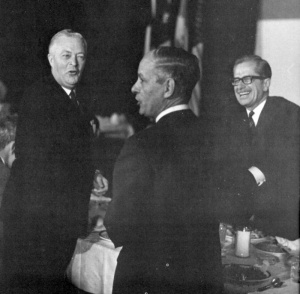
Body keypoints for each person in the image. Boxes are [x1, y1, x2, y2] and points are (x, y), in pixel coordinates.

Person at [104, 47, 224, 294]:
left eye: (142, 79)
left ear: (168, 88)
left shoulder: (141, 146)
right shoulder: (215, 139)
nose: (134, 87)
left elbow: (119, 227)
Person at [2, 29, 108, 294]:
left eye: (80, 57)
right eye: (66, 55)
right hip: (36, 224)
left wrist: (92, 172)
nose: (74, 63)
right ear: (51, 59)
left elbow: (70, 152)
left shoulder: (75, 98)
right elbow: (42, 164)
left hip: (54, 221)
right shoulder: (40, 97)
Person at [213, 55, 299, 239]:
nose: (239, 86)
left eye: (247, 79)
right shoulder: (229, 118)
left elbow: (283, 163)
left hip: (279, 225)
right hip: (239, 221)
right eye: (236, 80)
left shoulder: (289, 114)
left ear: (266, 83)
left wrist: (247, 176)